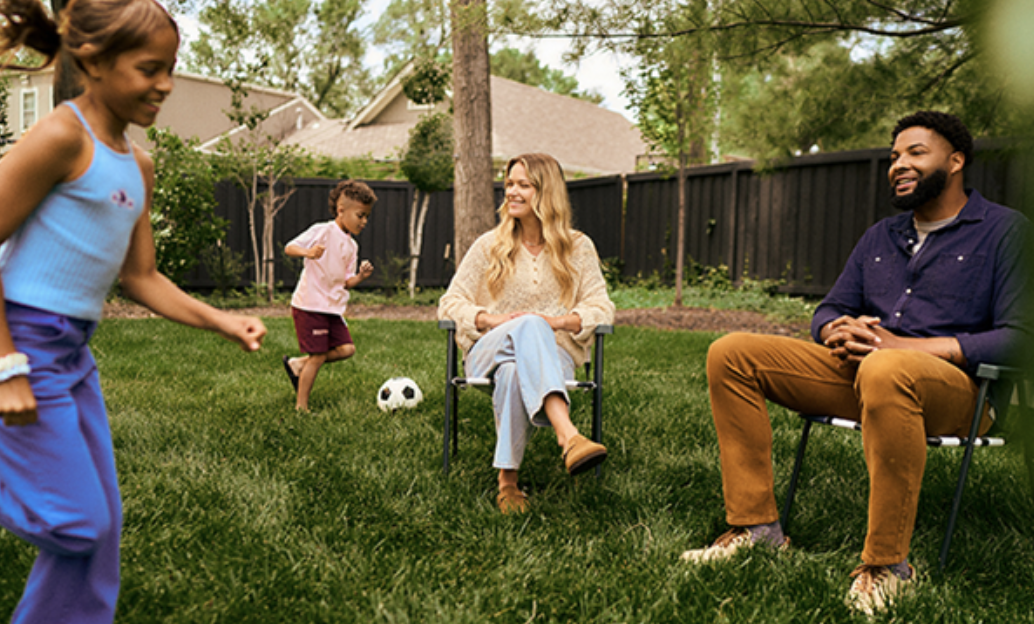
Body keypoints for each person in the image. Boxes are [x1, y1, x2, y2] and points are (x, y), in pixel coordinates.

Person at [680, 111, 1032, 614]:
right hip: (866, 374)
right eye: (894, 156)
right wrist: (834, 329)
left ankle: (887, 567)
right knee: (731, 352)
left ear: (955, 162)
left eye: (915, 153)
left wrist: (901, 349)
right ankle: (756, 527)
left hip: (958, 393)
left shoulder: (1004, 231)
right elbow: (830, 306)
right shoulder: (880, 236)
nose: (898, 165)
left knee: (885, 369)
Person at [0, 0, 268, 622]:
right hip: (25, 343)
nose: (166, 85)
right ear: (94, 61)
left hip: (71, 354)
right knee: (76, 520)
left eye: (171, 68)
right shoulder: (63, 136)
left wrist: (222, 320)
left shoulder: (137, 164)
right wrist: (8, 361)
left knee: (101, 530)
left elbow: (141, 277)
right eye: (150, 69)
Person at [438, 153, 616, 514]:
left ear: (546, 192)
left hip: (552, 359)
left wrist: (558, 323)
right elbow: (450, 303)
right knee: (526, 327)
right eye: (509, 184)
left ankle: (508, 484)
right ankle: (569, 436)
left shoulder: (578, 247)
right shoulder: (489, 245)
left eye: (523, 185)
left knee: (515, 369)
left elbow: (602, 307)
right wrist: (493, 319)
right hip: (487, 351)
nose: (512, 192)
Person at [282, 180, 376, 411]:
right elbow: (289, 248)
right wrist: (309, 252)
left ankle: (296, 364)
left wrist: (361, 277)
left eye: (366, 217)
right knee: (318, 355)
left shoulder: (352, 246)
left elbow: (347, 282)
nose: (364, 221)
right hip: (311, 304)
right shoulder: (322, 231)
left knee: (347, 349)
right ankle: (301, 407)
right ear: (341, 211)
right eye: (360, 215)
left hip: (332, 308)